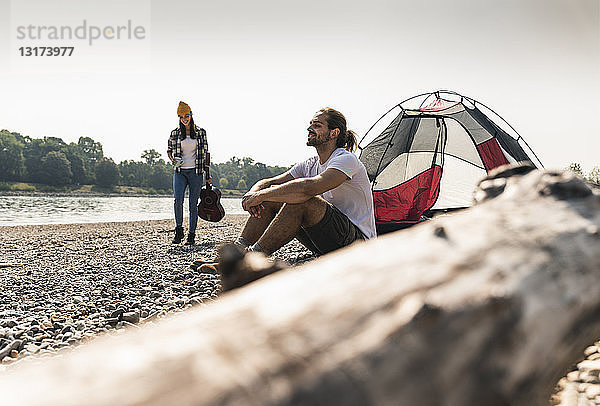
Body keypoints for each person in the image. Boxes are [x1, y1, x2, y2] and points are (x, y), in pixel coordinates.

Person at [235, 107, 376, 256]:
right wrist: (253, 195)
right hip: (326, 241)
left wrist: (262, 195)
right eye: (311, 124)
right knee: (269, 198)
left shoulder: (346, 159)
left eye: (317, 125)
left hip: (358, 245)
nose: (309, 128)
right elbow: (269, 183)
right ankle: (235, 253)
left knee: (303, 200)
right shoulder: (310, 164)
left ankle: (250, 258)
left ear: (334, 133)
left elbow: (309, 188)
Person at [167, 101, 209, 245]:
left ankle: (191, 235)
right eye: (181, 116)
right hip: (180, 172)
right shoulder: (175, 133)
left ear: (191, 115)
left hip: (196, 172)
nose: (184, 119)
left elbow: (206, 154)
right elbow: (169, 149)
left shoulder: (201, 133)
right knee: (178, 200)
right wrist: (172, 159)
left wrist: (207, 175)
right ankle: (179, 231)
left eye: (186, 115)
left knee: (193, 205)